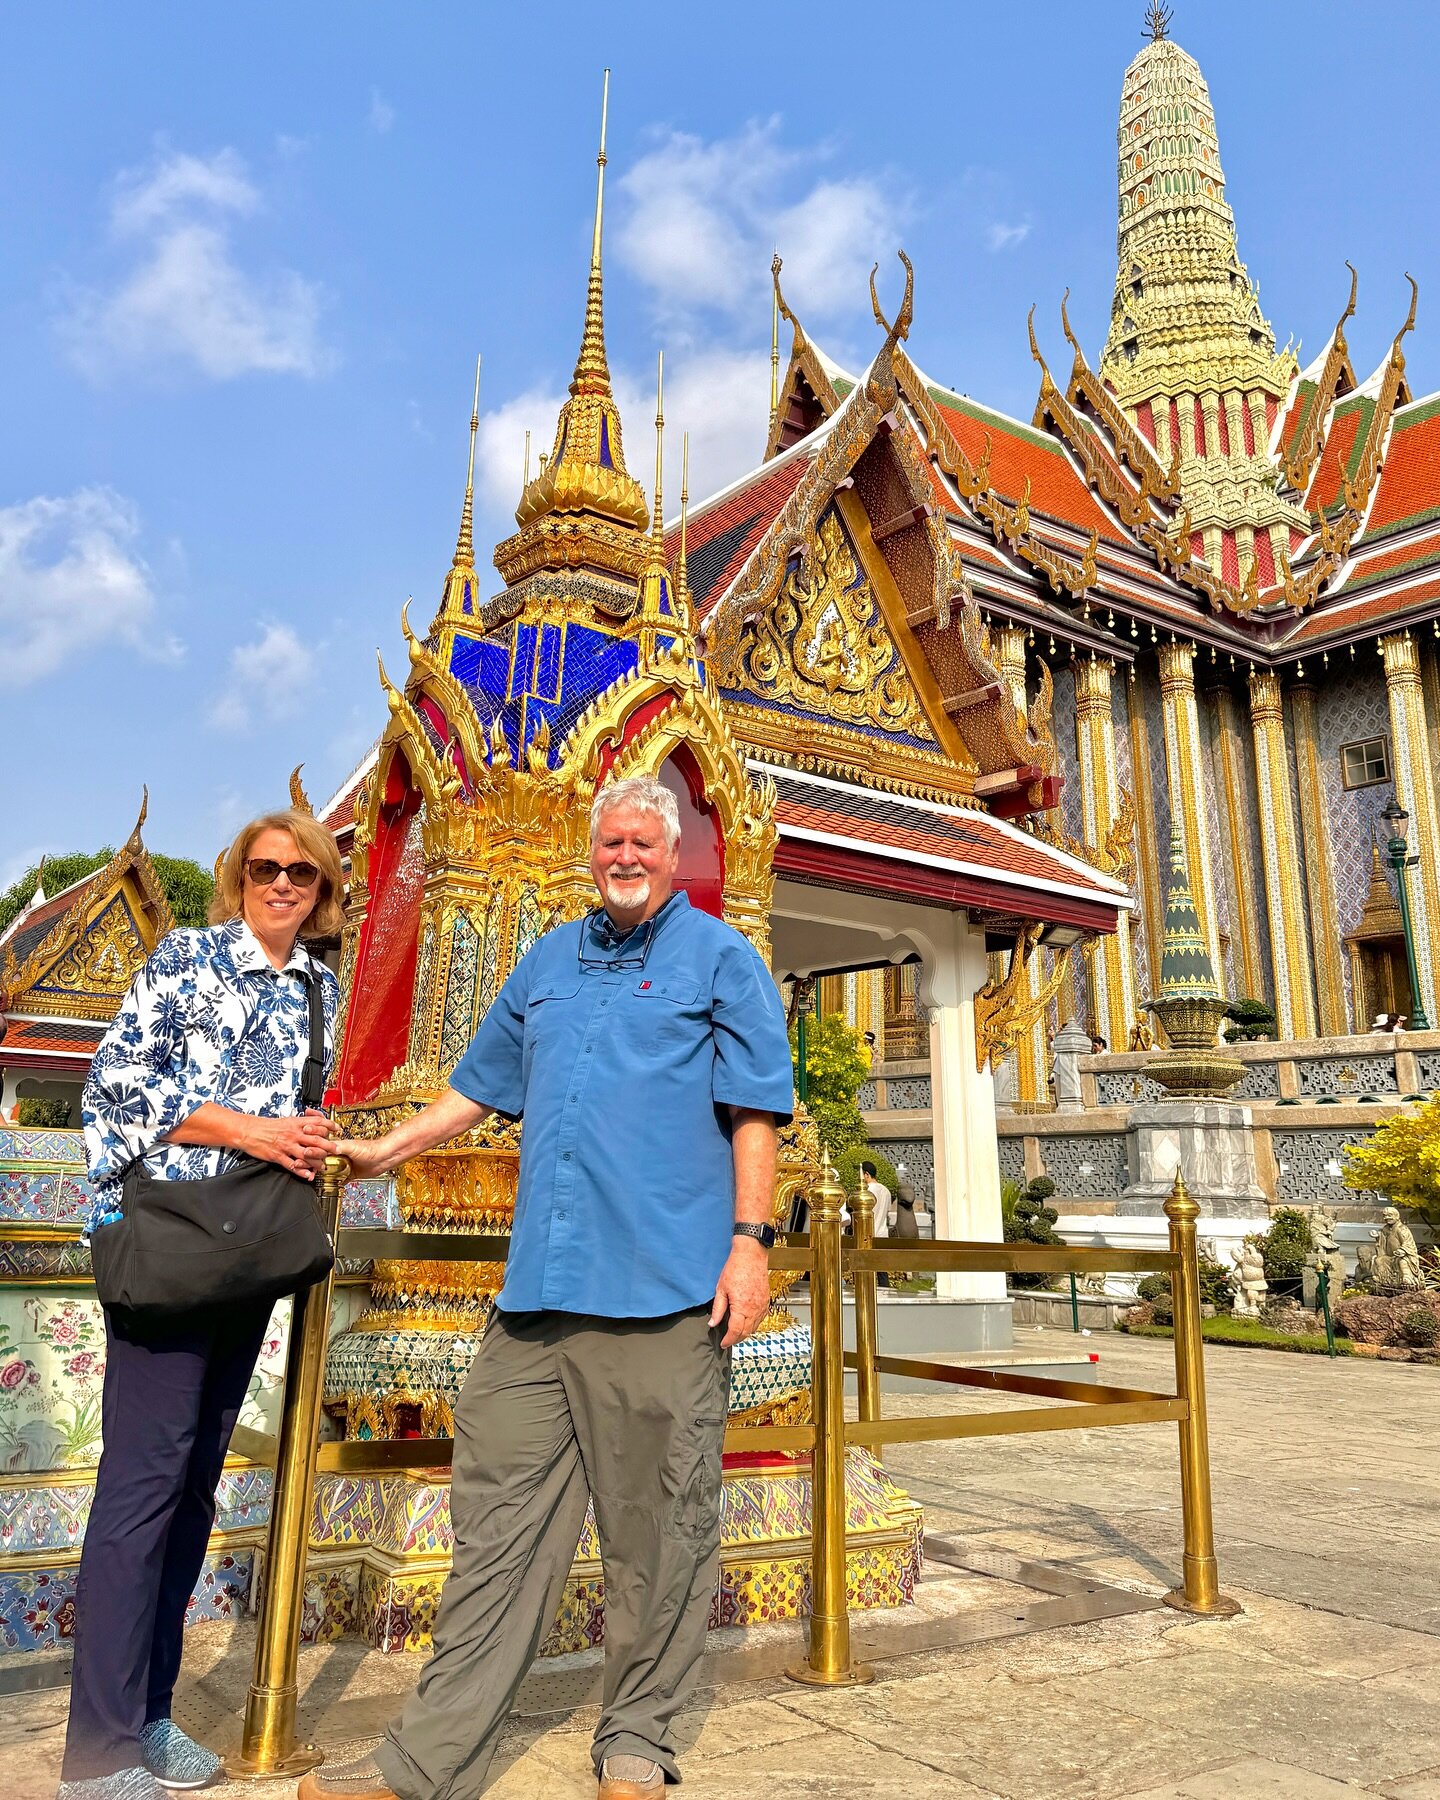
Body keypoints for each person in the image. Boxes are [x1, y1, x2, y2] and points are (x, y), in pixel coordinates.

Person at [305, 772, 793, 1800]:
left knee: (658, 1533)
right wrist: (390, 1145)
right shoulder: (547, 962)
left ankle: (636, 1743)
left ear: (672, 858)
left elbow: (758, 1112)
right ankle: (422, 1762)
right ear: (592, 852)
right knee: (495, 1540)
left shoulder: (721, 960)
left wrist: (750, 1244)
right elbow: (474, 1086)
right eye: (610, 843)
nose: (625, 859)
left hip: (662, 1293)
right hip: (535, 1301)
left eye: (643, 846)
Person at [57, 810, 343, 1800]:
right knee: (141, 1486)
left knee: (190, 1490)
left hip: (248, 1252)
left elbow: (308, 1107)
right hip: (171, 1239)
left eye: (301, 873)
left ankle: (150, 1716)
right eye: (266, 868)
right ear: (239, 874)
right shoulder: (188, 959)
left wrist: (315, 1139)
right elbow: (119, 1085)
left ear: (321, 890)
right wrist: (263, 1134)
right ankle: (95, 1750)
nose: (281, 884)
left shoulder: (319, 988)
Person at [860, 1159, 893, 1287]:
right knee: (881, 1270)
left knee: (865, 1270)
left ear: (866, 1175)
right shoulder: (886, 1191)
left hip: (868, 1233)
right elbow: (888, 1211)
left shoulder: (867, 1191)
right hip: (882, 1233)